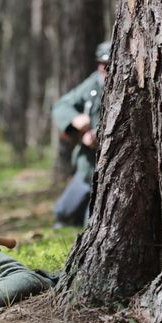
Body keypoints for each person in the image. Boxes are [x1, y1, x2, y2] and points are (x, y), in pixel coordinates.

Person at [51, 41, 111, 227]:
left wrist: (99, 136)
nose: (106, 69)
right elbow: (61, 106)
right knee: (62, 213)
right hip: (87, 167)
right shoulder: (93, 84)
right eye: (103, 64)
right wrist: (75, 120)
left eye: (110, 65)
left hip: (110, 170)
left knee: (93, 222)